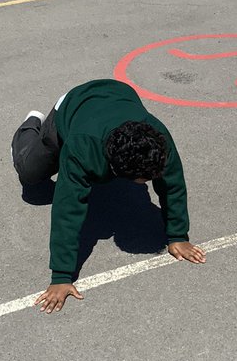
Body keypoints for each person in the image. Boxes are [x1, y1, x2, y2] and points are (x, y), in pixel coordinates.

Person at [11, 79, 205, 312]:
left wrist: (178, 236)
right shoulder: (81, 147)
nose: (150, 181)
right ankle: (30, 126)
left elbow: (173, 185)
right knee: (31, 173)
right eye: (144, 180)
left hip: (119, 93)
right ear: (116, 168)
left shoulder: (157, 138)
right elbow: (67, 209)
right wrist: (61, 277)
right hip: (73, 105)